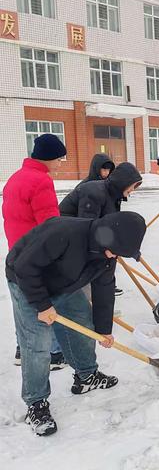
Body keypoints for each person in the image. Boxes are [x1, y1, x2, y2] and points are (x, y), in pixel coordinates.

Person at [6, 211, 147, 436]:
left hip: (65, 284)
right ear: (108, 239)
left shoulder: (106, 255)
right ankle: (36, 403)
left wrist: (103, 331)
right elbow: (25, 267)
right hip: (26, 282)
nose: (114, 257)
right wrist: (42, 305)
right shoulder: (64, 233)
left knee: (83, 324)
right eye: (117, 252)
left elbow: (104, 289)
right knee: (37, 344)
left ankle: (86, 376)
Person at [2, 133, 67, 369]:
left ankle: (22, 348)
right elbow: (50, 226)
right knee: (46, 303)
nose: (60, 163)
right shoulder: (41, 181)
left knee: (22, 305)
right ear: (48, 158)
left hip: (16, 252)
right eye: (59, 159)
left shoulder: (15, 178)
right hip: (37, 254)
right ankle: (55, 352)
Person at [59, 162, 142, 296]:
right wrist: (106, 249)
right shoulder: (94, 193)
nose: (133, 189)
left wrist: (124, 248)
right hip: (67, 237)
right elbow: (87, 228)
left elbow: (108, 225)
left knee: (104, 265)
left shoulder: (114, 195)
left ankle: (97, 304)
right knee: (84, 274)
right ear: (123, 182)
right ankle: (86, 305)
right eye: (133, 185)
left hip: (81, 236)